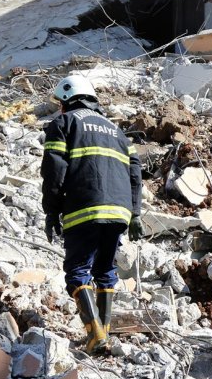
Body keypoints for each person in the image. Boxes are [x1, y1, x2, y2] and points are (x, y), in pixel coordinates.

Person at [41, 74, 144, 354]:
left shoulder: (64, 123)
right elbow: (135, 173)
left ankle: (95, 334)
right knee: (104, 270)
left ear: (66, 100)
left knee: (77, 271)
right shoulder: (119, 133)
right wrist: (135, 214)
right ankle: (104, 335)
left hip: (84, 205)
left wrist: (51, 211)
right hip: (120, 211)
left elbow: (54, 170)